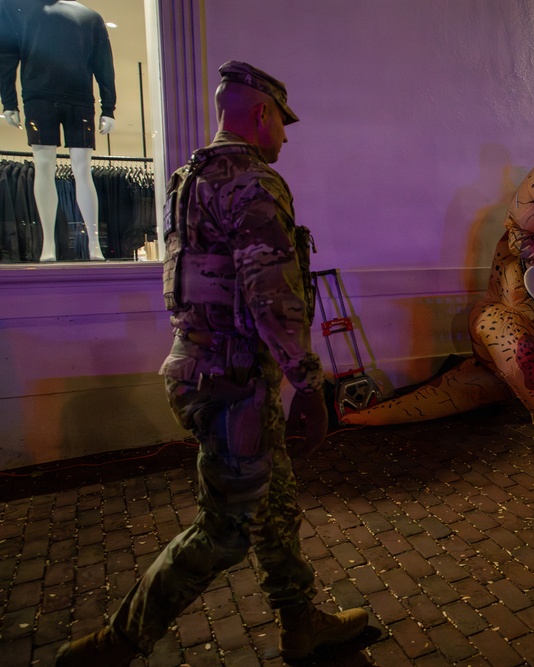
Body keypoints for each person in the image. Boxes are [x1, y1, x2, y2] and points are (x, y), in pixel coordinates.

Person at [55, 61, 368, 666]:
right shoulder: (252, 183)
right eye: (283, 122)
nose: (286, 136)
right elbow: (270, 293)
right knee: (223, 532)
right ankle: (118, 643)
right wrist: (309, 385)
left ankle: (301, 622)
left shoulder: (188, 178)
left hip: (207, 369)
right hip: (233, 383)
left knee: (274, 504)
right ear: (262, 115)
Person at [0, 0, 116, 261]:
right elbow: (6, 55)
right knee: (44, 166)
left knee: (82, 169)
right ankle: (48, 245)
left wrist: (108, 107)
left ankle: (94, 244)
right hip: (39, 97)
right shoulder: (15, 9)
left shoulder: (90, 17)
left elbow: (103, 64)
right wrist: (8, 101)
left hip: (79, 100)